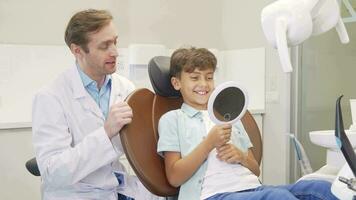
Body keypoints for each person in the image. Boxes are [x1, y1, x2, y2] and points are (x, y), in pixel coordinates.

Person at [157, 47, 338, 200]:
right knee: (278, 198)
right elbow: (174, 177)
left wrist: (241, 156)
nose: (204, 84)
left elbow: (255, 170)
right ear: (176, 83)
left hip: (253, 188)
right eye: (195, 78)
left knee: (321, 188)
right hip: (214, 194)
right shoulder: (173, 119)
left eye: (209, 77)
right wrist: (208, 143)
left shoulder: (229, 117)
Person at [32, 9, 157, 200]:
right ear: (78, 51)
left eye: (115, 42)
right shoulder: (50, 97)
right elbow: (53, 172)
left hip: (117, 189)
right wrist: (106, 132)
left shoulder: (125, 88)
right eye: (104, 46)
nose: (115, 52)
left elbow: (140, 149)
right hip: (76, 194)